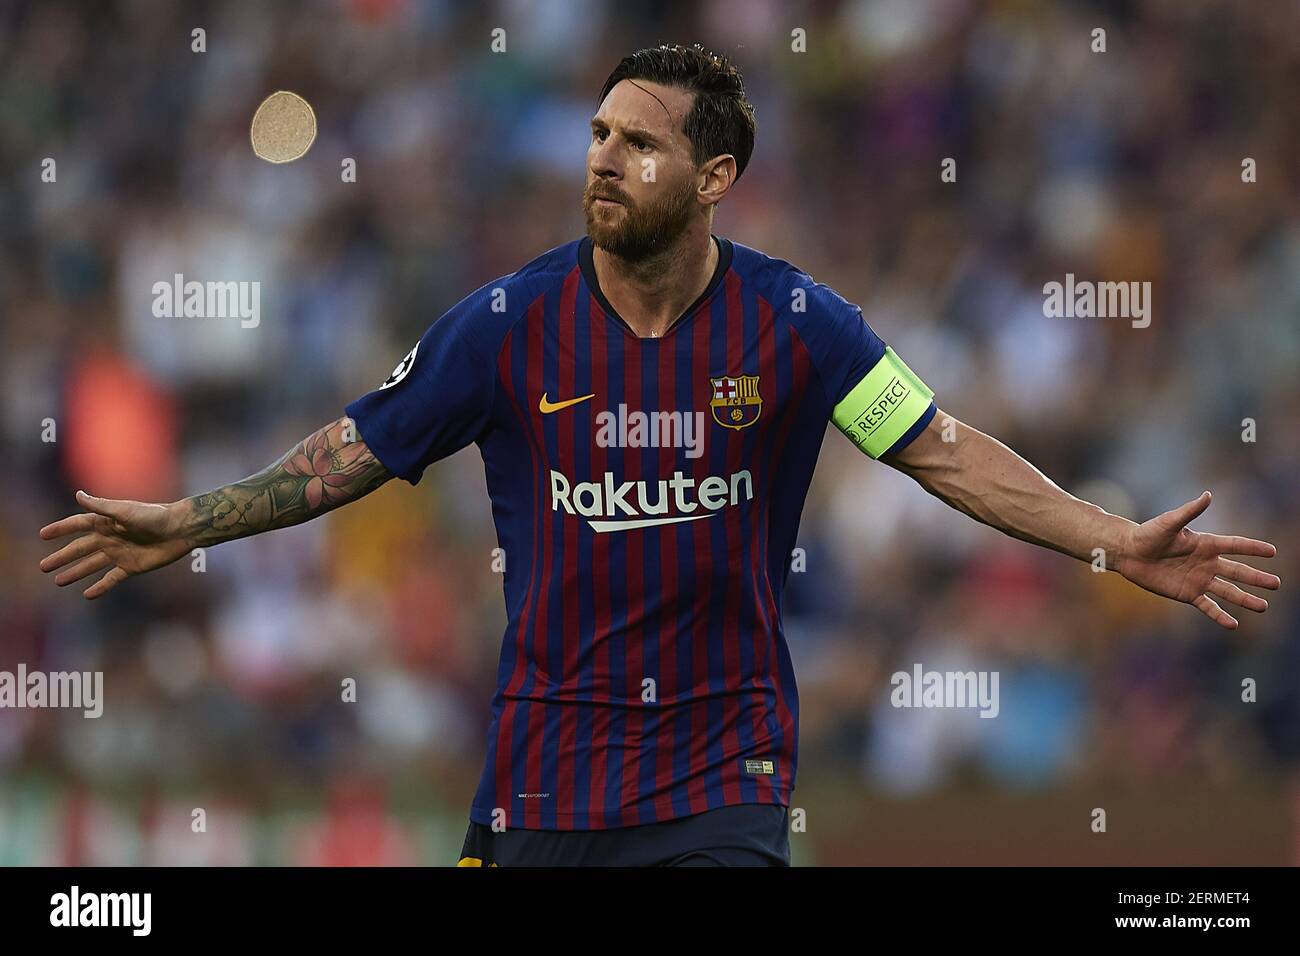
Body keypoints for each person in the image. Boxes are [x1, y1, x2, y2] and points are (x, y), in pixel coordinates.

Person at [38, 44, 1280, 867]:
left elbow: (944, 450)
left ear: (716, 174)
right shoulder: (508, 324)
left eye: (638, 142)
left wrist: (1115, 540)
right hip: (541, 772)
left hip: (718, 773)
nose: (601, 159)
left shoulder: (799, 323)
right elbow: (353, 450)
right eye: (595, 134)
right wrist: (190, 521)